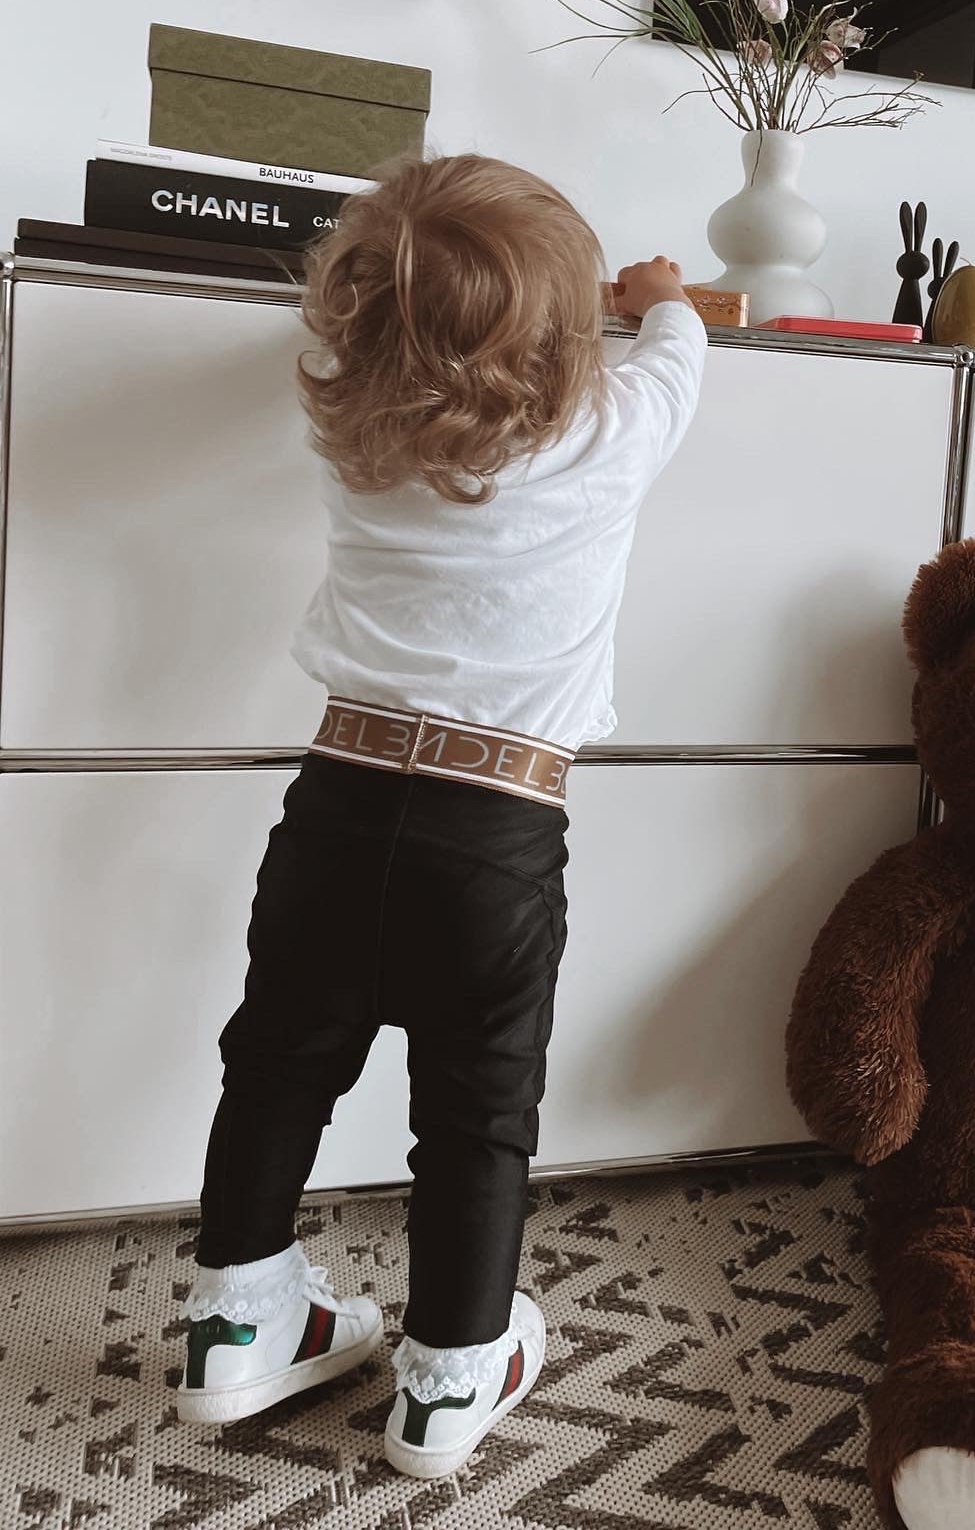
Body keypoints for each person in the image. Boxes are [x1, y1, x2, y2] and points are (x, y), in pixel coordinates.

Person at [172, 153, 706, 1479]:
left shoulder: (358, 440)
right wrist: (660, 293)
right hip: (497, 833)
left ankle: (234, 1330)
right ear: (567, 334)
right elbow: (679, 355)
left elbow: (384, 337)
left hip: (336, 805)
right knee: (477, 1113)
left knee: (278, 1061)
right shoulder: (610, 432)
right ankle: (449, 1381)